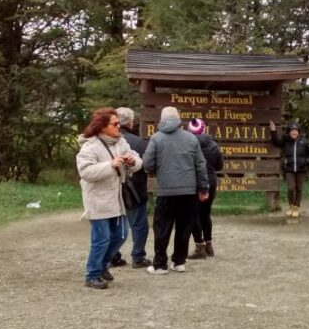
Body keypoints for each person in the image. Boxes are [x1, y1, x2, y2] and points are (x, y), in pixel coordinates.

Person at [76, 107, 142, 289]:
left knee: (121, 234)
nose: (118, 126)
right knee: (102, 238)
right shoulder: (89, 146)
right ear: (103, 126)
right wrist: (110, 165)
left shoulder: (120, 142)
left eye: (119, 123)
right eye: (115, 124)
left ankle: (102, 265)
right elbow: (86, 171)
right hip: (98, 200)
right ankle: (92, 275)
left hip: (118, 198)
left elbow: (137, 160)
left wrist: (132, 161)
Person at [142, 107, 209, 275]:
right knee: (184, 228)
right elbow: (201, 165)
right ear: (179, 119)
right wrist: (203, 187)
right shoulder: (191, 138)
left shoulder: (156, 138)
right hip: (188, 192)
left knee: (162, 228)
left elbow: (147, 164)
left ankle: (159, 265)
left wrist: (159, 168)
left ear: (162, 119)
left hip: (166, 191)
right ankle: (179, 262)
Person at [109, 107, 152, 269]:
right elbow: (147, 164)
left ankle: (113, 256)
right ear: (131, 122)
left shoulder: (107, 141)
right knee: (139, 224)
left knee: (114, 224)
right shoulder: (139, 143)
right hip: (135, 190)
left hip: (113, 189)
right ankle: (138, 256)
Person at [186, 118, 224, 259]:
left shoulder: (189, 144)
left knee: (194, 215)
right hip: (211, 181)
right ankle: (209, 245)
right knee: (205, 214)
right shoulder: (213, 145)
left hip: (194, 182)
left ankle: (199, 246)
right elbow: (219, 166)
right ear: (204, 129)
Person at [269, 120, 309, 218]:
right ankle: (291, 206)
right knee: (290, 188)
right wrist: (273, 130)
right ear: (289, 132)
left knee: (299, 188)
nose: (294, 132)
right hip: (289, 169)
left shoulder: (304, 142)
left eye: (296, 131)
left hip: (301, 169)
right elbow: (276, 142)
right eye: (292, 131)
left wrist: (306, 162)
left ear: (299, 132)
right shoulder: (286, 141)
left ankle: (296, 207)